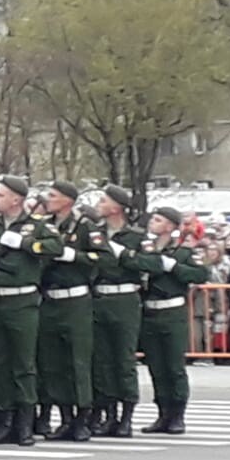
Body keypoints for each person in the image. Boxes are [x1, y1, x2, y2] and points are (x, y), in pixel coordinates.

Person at [0, 175, 61, 446]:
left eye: (0, 195)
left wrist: (24, 244)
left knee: (23, 364)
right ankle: (3, 420)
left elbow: (55, 248)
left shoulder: (37, 226)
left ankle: (25, 423)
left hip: (22, 302)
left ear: (17, 199)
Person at [38, 181, 108, 441]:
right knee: (53, 363)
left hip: (76, 301)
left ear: (68, 200)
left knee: (78, 362)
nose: (48, 199)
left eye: (53, 196)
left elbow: (103, 259)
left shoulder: (85, 226)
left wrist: (74, 256)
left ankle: (82, 419)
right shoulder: (45, 225)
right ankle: (65, 417)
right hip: (50, 300)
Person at [135, 207, 209, 434]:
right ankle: (162, 413)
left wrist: (175, 267)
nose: (152, 224)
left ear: (170, 226)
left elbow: (200, 275)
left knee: (174, 367)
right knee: (156, 367)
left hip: (172, 313)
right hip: (150, 313)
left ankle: (178, 415)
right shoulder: (147, 250)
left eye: (158, 220)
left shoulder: (183, 253)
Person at [90, 185, 148, 437]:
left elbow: (148, 263)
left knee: (123, 360)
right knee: (102, 361)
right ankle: (109, 414)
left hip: (124, 299)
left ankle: (126, 417)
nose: (99, 205)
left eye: (103, 201)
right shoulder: (95, 234)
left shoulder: (135, 237)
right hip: (99, 297)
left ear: (116, 207)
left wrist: (123, 254)